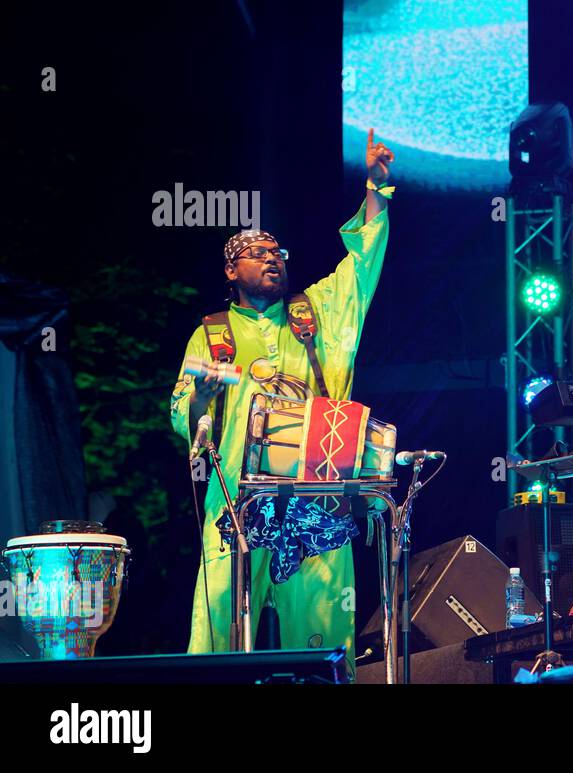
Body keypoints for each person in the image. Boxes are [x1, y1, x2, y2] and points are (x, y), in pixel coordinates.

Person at [169, 129, 395, 665]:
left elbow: (361, 267)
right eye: (256, 253)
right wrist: (200, 396)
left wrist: (375, 189)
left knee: (320, 640)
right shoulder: (213, 334)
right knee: (219, 631)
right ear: (232, 271)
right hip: (236, 504)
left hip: (317, 496)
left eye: (277, 251)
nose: (272, 259)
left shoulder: (315, 313)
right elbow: (183, 417)